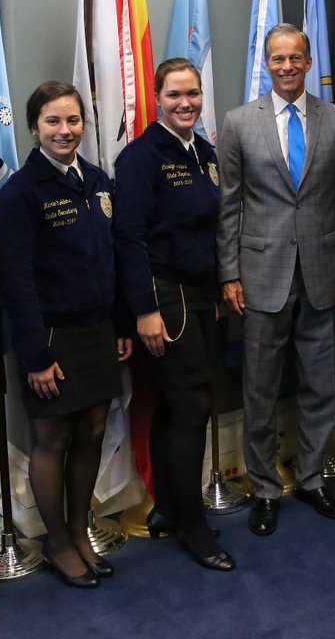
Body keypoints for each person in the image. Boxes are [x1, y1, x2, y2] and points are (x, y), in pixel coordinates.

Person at [216, 23, 335, 536]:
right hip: (260, 275)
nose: (286, 67)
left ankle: (313, 478)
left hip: (324, 272)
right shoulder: (237, 123)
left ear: (307, 61)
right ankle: (263, 487)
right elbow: (229, 204)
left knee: (320, 383)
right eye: (277, 59)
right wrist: (229, 272)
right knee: (260, 387)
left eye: (296, 58)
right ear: (267, 62)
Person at [0, 81, 132, 588]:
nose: (64, 130)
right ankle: (55, 543)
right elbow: (16, 281)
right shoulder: (19, 194)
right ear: (34, 128)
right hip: (49, 338)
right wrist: (34, 355)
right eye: (53, 121)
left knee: (93, 430)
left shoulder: (97, 182)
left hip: (96, 331)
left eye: (73, 120)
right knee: (52, 439)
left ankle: (79, 531)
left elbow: (112, 260)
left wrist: (120, 324)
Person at [113, 58, 235, 571]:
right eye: (174, 95)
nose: (185, 103)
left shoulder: (203, 153)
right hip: (168, 299)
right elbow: (129, 237)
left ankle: (167, 505)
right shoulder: (142, 156)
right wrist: (143, 310)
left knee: (175, 408)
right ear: (157, 99)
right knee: (191, 408)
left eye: (193, 94)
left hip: (201, 295)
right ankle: (193, 524)